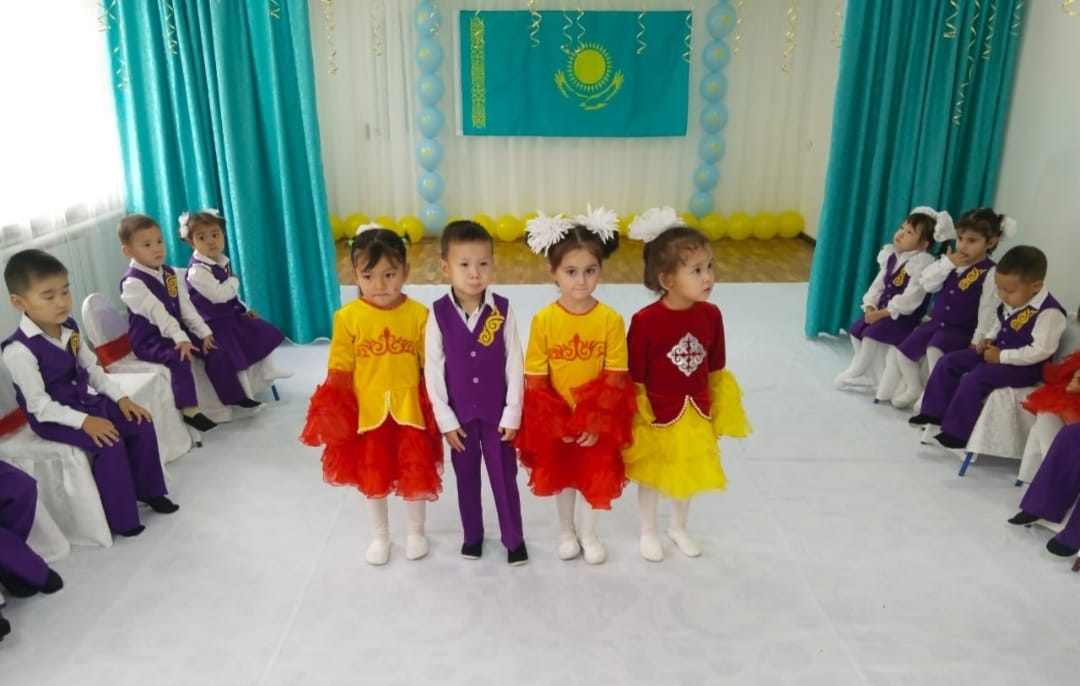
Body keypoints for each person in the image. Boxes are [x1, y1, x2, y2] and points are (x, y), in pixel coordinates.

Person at [2, 250, 177, 538]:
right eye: (48, 296)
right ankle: (122, 518)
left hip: (85, 401)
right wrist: (85, 422)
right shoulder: (18, 350)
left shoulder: (69, 328)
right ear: (19, 302)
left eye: (65, 291)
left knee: (139, 422)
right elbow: (39, 405)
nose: (61, 302)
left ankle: (150, 491)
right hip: (53, 417)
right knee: (108, 442)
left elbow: (92, 369)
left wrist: (121, 399)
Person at [301, 226, 442, 565]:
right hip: (368, 412)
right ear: (355, 275)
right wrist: (339, 415)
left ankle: (416, 532)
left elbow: (431, 367)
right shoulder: (348, 318)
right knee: (373, 473)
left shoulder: (419, 315)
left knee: (415, 470)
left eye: (389, 274)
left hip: (410, 410)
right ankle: (380, 535)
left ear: (406, 271)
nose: (379, 285)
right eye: (368, 276)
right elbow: (340, 369)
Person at [622, 208, 750, 562]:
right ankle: (649, 529)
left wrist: (716, 406)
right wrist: (638, 413)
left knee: (687, 468)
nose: (708, 277)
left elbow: (715, 365)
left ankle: (678, 527)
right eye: (696, 270)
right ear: (667, 279)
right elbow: (635, 374)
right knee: (651, 472)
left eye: (710, 266)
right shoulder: (645, 321)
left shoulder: (711, 315)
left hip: (695, 408)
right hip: (657, 413)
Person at [516, 208, 634, 565]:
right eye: (571, 272)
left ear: (600, 270)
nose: (581, 281)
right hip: (558, 418)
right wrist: (558, 422)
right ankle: (567, 531)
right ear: (553, 272)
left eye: (590, 271)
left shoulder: (610, 320)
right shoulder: (544, 320)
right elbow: (537, 377)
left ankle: (589, 532)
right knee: (562, 475)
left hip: (599, 419)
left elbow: (615, 375)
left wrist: (594, 421)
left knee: (595, 475)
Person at [424, 221, 527, 565]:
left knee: (504, 478)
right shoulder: (438, 313)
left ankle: (514, 539)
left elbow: (514, 362)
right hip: (461, 419)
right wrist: (445, 419)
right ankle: (472, 536)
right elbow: (433, 368)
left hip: (497, 416)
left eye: (483, 263)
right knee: (466, 479)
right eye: (464, 264)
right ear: (445, 268)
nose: (474, 273)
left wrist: (512, 411)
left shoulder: (501, 310)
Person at [911, 246, 1067, 448]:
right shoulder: (1014, 299)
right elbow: (999, 323)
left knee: (976, 378)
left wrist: (1001, 356)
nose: (1002, 295)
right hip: (996, 352)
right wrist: (989, 338)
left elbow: (1041, 350)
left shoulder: (1050, 312)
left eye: (1009, 291)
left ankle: (957, 433)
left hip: (1025, 367)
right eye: (999, 288)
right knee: (948, 361)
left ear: (1035, 286)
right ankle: (933, 413)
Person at [118, 213, 255, 433]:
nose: (157, 249)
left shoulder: (169, 273)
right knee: (178, 357)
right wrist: (180, 339)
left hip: (176, 332)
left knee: (214, 346)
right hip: (150, 340)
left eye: (159, 241)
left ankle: (233, 396)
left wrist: (203, 332)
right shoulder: (133, 283)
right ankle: (190, 410)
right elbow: (159, 314)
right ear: (128, 251)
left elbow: (185, 306)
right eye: (147, 245)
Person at [878, 208, 1007, 407]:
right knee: (903, 353)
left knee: (934, 351)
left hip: (960, 329)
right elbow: (928, 284)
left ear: (990, 242)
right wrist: (947, 263)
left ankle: (929, 395)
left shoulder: (990, 272)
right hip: (936, 323)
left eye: (972, 241)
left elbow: (988, 309)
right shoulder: (950, 262)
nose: (963, 245)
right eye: (960, 238)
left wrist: (977, 340)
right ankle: (914, 387)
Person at [180, 208, 289, 409]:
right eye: (202, 238)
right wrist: (234, 281)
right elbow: (219, 295)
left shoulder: (221, 261)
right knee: (232, 352)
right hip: (211, 321)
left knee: (259, 329)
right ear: (191, 242)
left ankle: (269, 370)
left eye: (215, 235)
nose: (211, 241)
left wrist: (244, 308)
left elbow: (232, 296)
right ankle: (245, 397)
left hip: (228, 315)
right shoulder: (197, 271)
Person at [834, 209, 939, 389]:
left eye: (909, 232)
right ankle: (864, 369)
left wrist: (881, 314)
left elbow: (911, 298)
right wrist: (870, 306)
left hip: (903, 316)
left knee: (871, 335)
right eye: (902, 228)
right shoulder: (892, 257)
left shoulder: (921, 263)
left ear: (923, 244)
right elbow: (878, 286)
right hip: (883, 311)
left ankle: (857, 371)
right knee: (856, 330)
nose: (901, 233)